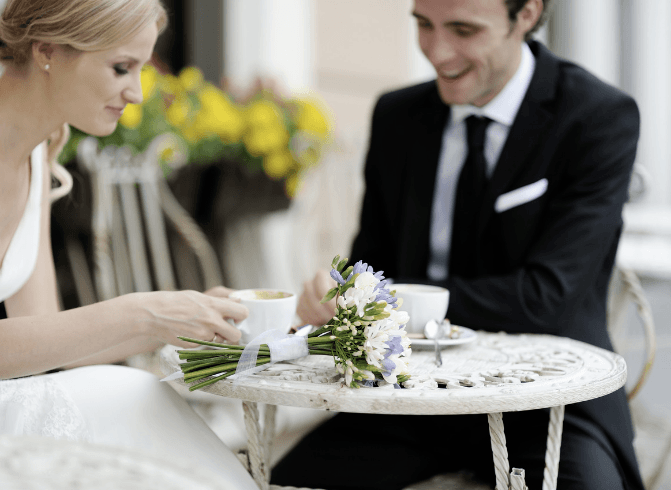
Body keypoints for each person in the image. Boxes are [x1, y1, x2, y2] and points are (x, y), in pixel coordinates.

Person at [274, 0, 644, 489]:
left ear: (527, 14)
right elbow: (374, 264)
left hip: (547, 402)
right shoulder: (397, 116)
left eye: (463, 30)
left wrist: (389, 299)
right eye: (423, 24)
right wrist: (341, 294)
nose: (437, 51)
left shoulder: (597, 116)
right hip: (405, 396)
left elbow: (546, 299)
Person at [0, 1, 258, 488]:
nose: (135, 92)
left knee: (137, 396)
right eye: (120, 68)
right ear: (47, 50)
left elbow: (42, 339)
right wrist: (143, 315)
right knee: (127, 396)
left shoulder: (42, 151)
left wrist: (179, 320)